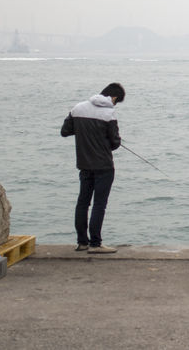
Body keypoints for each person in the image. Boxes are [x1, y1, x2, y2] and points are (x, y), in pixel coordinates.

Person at [60, 82, 125, 253]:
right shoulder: (109, 114)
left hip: (84, 164)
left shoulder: (78, 108)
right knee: (99, 204)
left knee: (83, 202)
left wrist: (84, 132)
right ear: (114, 97)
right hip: (104, 165)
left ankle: (82, 243)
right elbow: (115, 143)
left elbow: (65, 131)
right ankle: (96, 244)